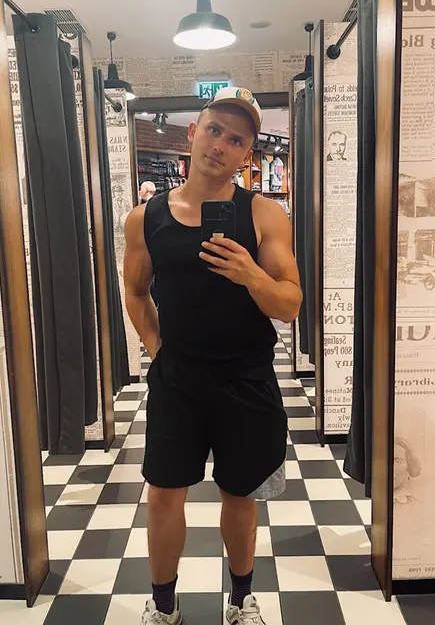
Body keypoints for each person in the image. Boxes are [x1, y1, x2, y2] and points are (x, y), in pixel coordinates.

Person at [124, 86, 302, 625]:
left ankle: (241, 600)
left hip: (246, 375)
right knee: (163, 495)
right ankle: (163, 606)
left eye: (237, 139)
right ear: (193, 132)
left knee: (240, 494)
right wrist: (158, 351)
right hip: (178, 378)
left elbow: (290, 304)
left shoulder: (265, 215)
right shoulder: (146, 218)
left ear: (247, 154)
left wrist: (250, 274)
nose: (221, 144)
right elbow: (135, 292)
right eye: (214, 130)